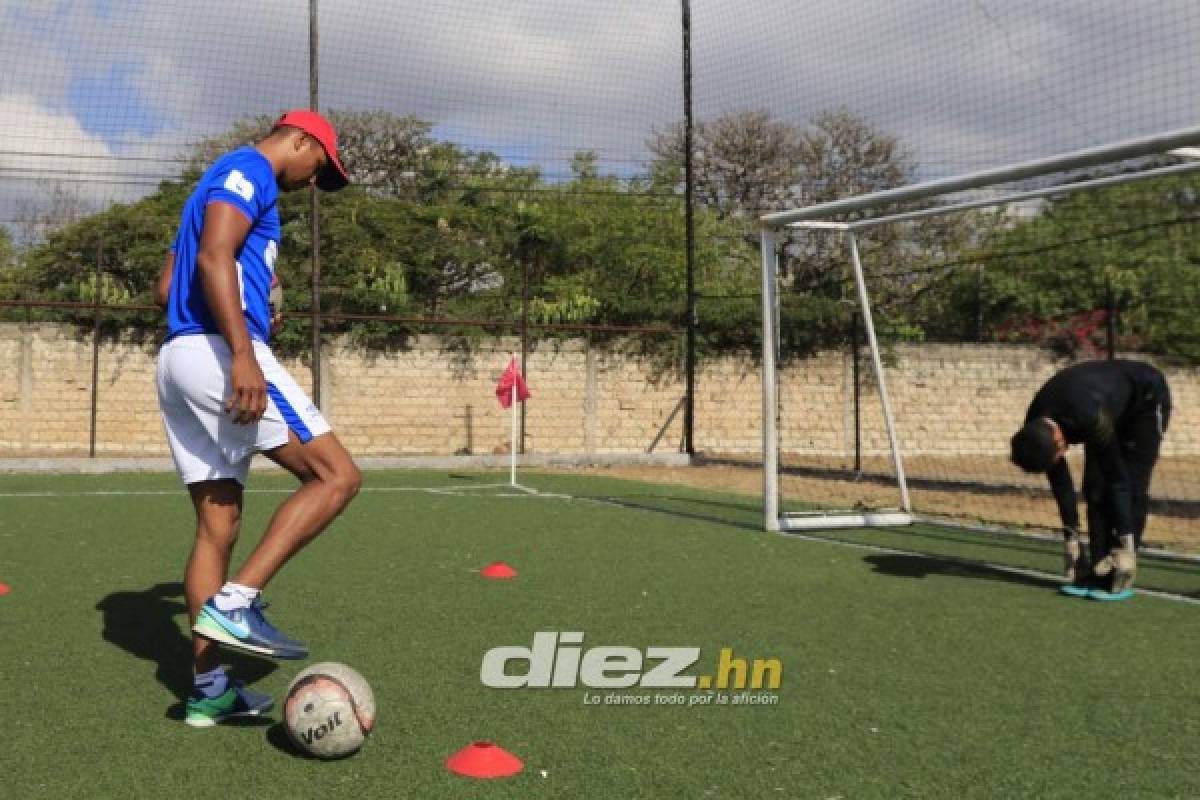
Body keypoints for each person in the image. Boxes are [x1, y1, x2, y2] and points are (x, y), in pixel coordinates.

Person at [154, 110, 361, 726]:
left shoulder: (211, 181)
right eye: (316, 167)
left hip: (177, 355)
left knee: (218, 526)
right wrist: (243, 353)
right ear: (299, 140)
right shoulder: (252, 170)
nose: (310, 182)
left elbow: (167, 284)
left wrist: (244, 309)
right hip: (220, 351)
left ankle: (211, 689)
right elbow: (215, 257)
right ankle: (238, 601)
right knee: (336, 477)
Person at [1010, 359, 1170, 601]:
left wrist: (1125, 543)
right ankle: (1096, 569)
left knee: (1131, 483)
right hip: (1099, 403)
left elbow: (1118, 480)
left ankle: (1123, 566)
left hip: (1144, 401)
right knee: (1094, 489)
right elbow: (1061, 483)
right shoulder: (1034, 431)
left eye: (1060, 452)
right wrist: (1071, 542)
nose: (1063, 455)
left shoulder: (1091, 419)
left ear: (1056, 437)